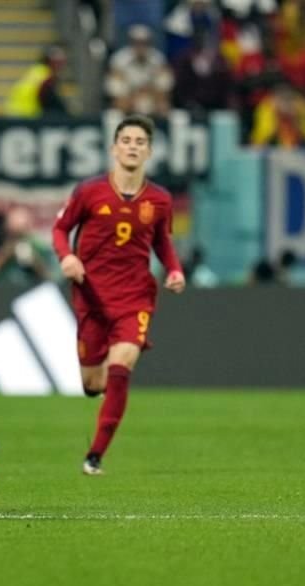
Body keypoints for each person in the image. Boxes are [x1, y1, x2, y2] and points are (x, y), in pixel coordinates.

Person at [52, 114, 185, 475]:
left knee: (121, 365)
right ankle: (99, 418)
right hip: (92, 296)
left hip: (135, 297)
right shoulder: (89, 191)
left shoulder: (159, 199)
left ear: (149, 151)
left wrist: (174, 269)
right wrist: (67, 257)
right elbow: (61, 229)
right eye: (126, 140)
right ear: (114, 148)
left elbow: (162, 242)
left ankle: (95, 456)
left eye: (140, 142)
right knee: (93, 384)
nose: (132, 147)